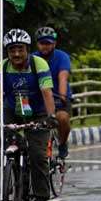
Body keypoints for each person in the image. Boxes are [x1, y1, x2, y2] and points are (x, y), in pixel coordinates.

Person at [0, 28, 57, 201]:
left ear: (27, 49)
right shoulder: (0, 68)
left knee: (38, 156)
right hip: (12, 110)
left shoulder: (39, 64)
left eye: (20, 49)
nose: (16, 54)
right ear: (7, 52)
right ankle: (12, 167)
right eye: (12, 50)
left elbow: (47, 93)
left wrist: (50, 117)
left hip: (38, 112)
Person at [33, 26, 73, 158]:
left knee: (62, 118)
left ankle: (62, 143)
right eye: (42, 43)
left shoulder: (62, 57)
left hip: (57, 96)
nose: (45, 47)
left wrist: (61, 97)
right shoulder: (32, 59)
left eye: (48, 43)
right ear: (37, 44)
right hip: (39, 98)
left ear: (54, 44)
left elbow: (63, 77)